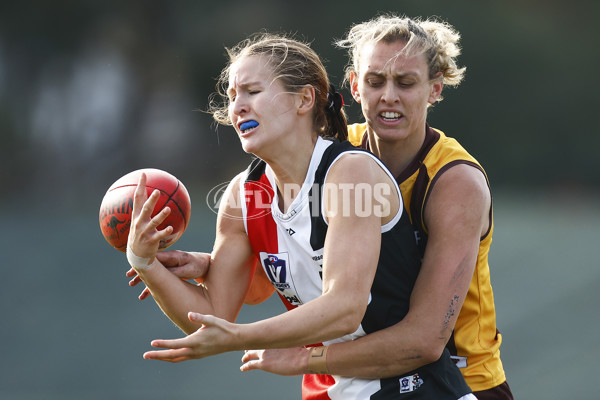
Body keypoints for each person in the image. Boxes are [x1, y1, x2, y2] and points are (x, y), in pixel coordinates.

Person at [125, 33, 474, 399]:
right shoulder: (242, 197)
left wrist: (239, 337)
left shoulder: (350, 172)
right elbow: (211, 316)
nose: (238, 106)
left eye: (252, 92)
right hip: (335, 389)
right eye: (232, 96)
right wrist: (144, 261)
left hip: (416, 390)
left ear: (304, 99)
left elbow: (345, 308)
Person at [238, 15, 514, 400]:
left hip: (458, 382)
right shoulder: (335, 156)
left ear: (435, 89)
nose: (389, 96)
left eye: (406, 82)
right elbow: (285, 270)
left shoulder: (454, 182)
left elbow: (423, 341)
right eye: (374, 81)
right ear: (354, 85)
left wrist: (304, 358)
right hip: (356, 379)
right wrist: (212, 265)